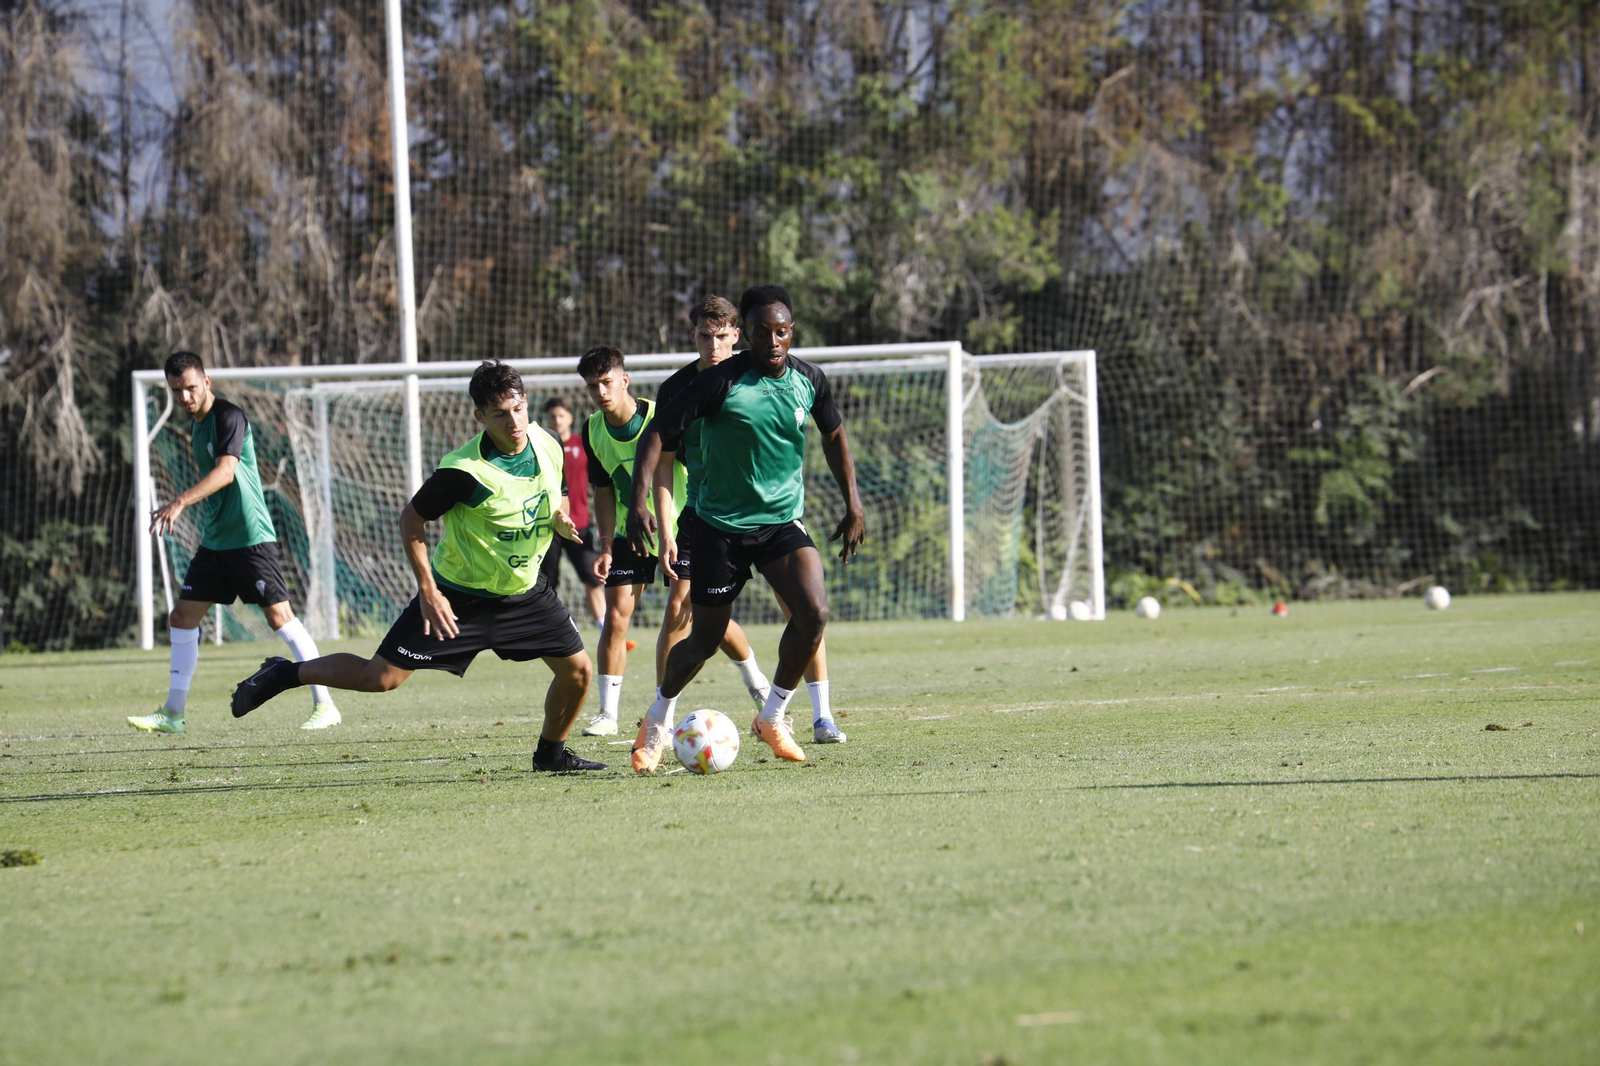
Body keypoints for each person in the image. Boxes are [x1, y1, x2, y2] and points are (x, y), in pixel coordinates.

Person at [228, 361, 605, 773]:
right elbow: (411, 520)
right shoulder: (463, 471)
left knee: (580, 674)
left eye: (517, 408)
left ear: (526, 402)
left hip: (525, 592)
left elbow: (558, 493)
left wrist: (559, 517)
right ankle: (287, 673)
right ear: (480, 416)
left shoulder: (547, 441)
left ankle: (550, 756)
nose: (513, 421)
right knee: (381, 678)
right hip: (459, 596)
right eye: (499, 413)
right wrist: (429, 591)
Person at [625, 285, 866, 773]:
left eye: (780, 332)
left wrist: (854, 503)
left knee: (814, 612)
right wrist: (638, 505)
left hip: (780, 523)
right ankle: (657, 717)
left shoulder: (809, 380)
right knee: (704, 638)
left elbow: (834, 435)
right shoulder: (719, 382)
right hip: (718, 527)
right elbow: (658, 434)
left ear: (790, 332)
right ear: (748, 336)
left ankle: (773, 715)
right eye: (762, 332)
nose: (772, 341)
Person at [129, 351, 340, 735]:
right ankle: (173, 714)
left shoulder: (229, 416)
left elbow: (226, 473)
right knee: (182, 617)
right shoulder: (197, 426)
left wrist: (179, 502)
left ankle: (325, 704)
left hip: (249, 539)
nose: (185, 397)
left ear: (206, 382)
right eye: (177, 390)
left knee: (280, 618)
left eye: (191, 387)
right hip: (216, 542)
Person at [574, 345, 771, 739]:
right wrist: (607, 543)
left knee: (685, 614)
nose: (601, 392)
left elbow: (689, 462)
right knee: (615, 617)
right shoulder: (592, 429)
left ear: (624, 380)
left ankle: (738, 691)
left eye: (607, 382)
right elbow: (602, 490)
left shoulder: (661, 412)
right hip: (632, 532)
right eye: (593, 386)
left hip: (682, 526)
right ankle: (608, 715)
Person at [538, 397, 605, 629]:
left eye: (561, 415)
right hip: (549, 526)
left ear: (570, 418)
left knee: (593, 577)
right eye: (552, 416)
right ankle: (554, 628)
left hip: (580, 525)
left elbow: (599, 484)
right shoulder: (540, 447)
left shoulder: (583, 445)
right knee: (548, 582)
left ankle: (604, 626)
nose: (557, 420)